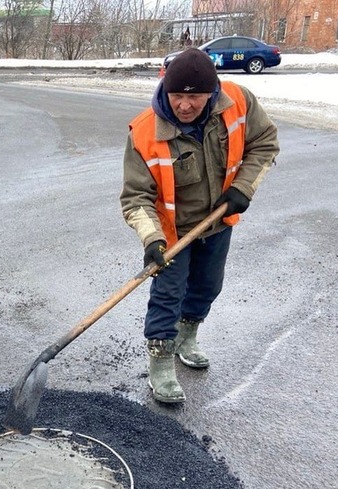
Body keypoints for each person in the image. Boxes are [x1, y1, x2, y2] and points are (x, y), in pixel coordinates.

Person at [120, 48, 279, 404]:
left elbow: (265, 143)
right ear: (165, 88)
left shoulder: (237, 102)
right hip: (171, 233)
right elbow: (135, 198)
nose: (185, 105)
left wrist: (243, 187)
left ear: (213, 91)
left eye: (195, 96)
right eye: (178, 95)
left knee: (208, 286)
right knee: (168, 295)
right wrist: (151, 239)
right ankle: (160, 362)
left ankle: (186, 337)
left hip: (218, 221)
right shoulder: (146, 132)